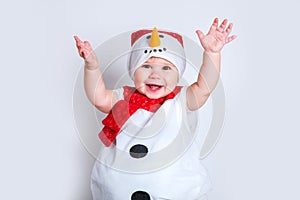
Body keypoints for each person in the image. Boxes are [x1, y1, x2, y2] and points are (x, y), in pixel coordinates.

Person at [74, 18, 236, 200]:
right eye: (146, 66)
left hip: (175, 191)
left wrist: (212, 54)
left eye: (166, 68)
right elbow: (99, 97)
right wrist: (92, 67)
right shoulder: (123, 97)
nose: (155, 74)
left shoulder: (181, 100)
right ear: (133, 71)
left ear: (178, 74)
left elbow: (205, 87)